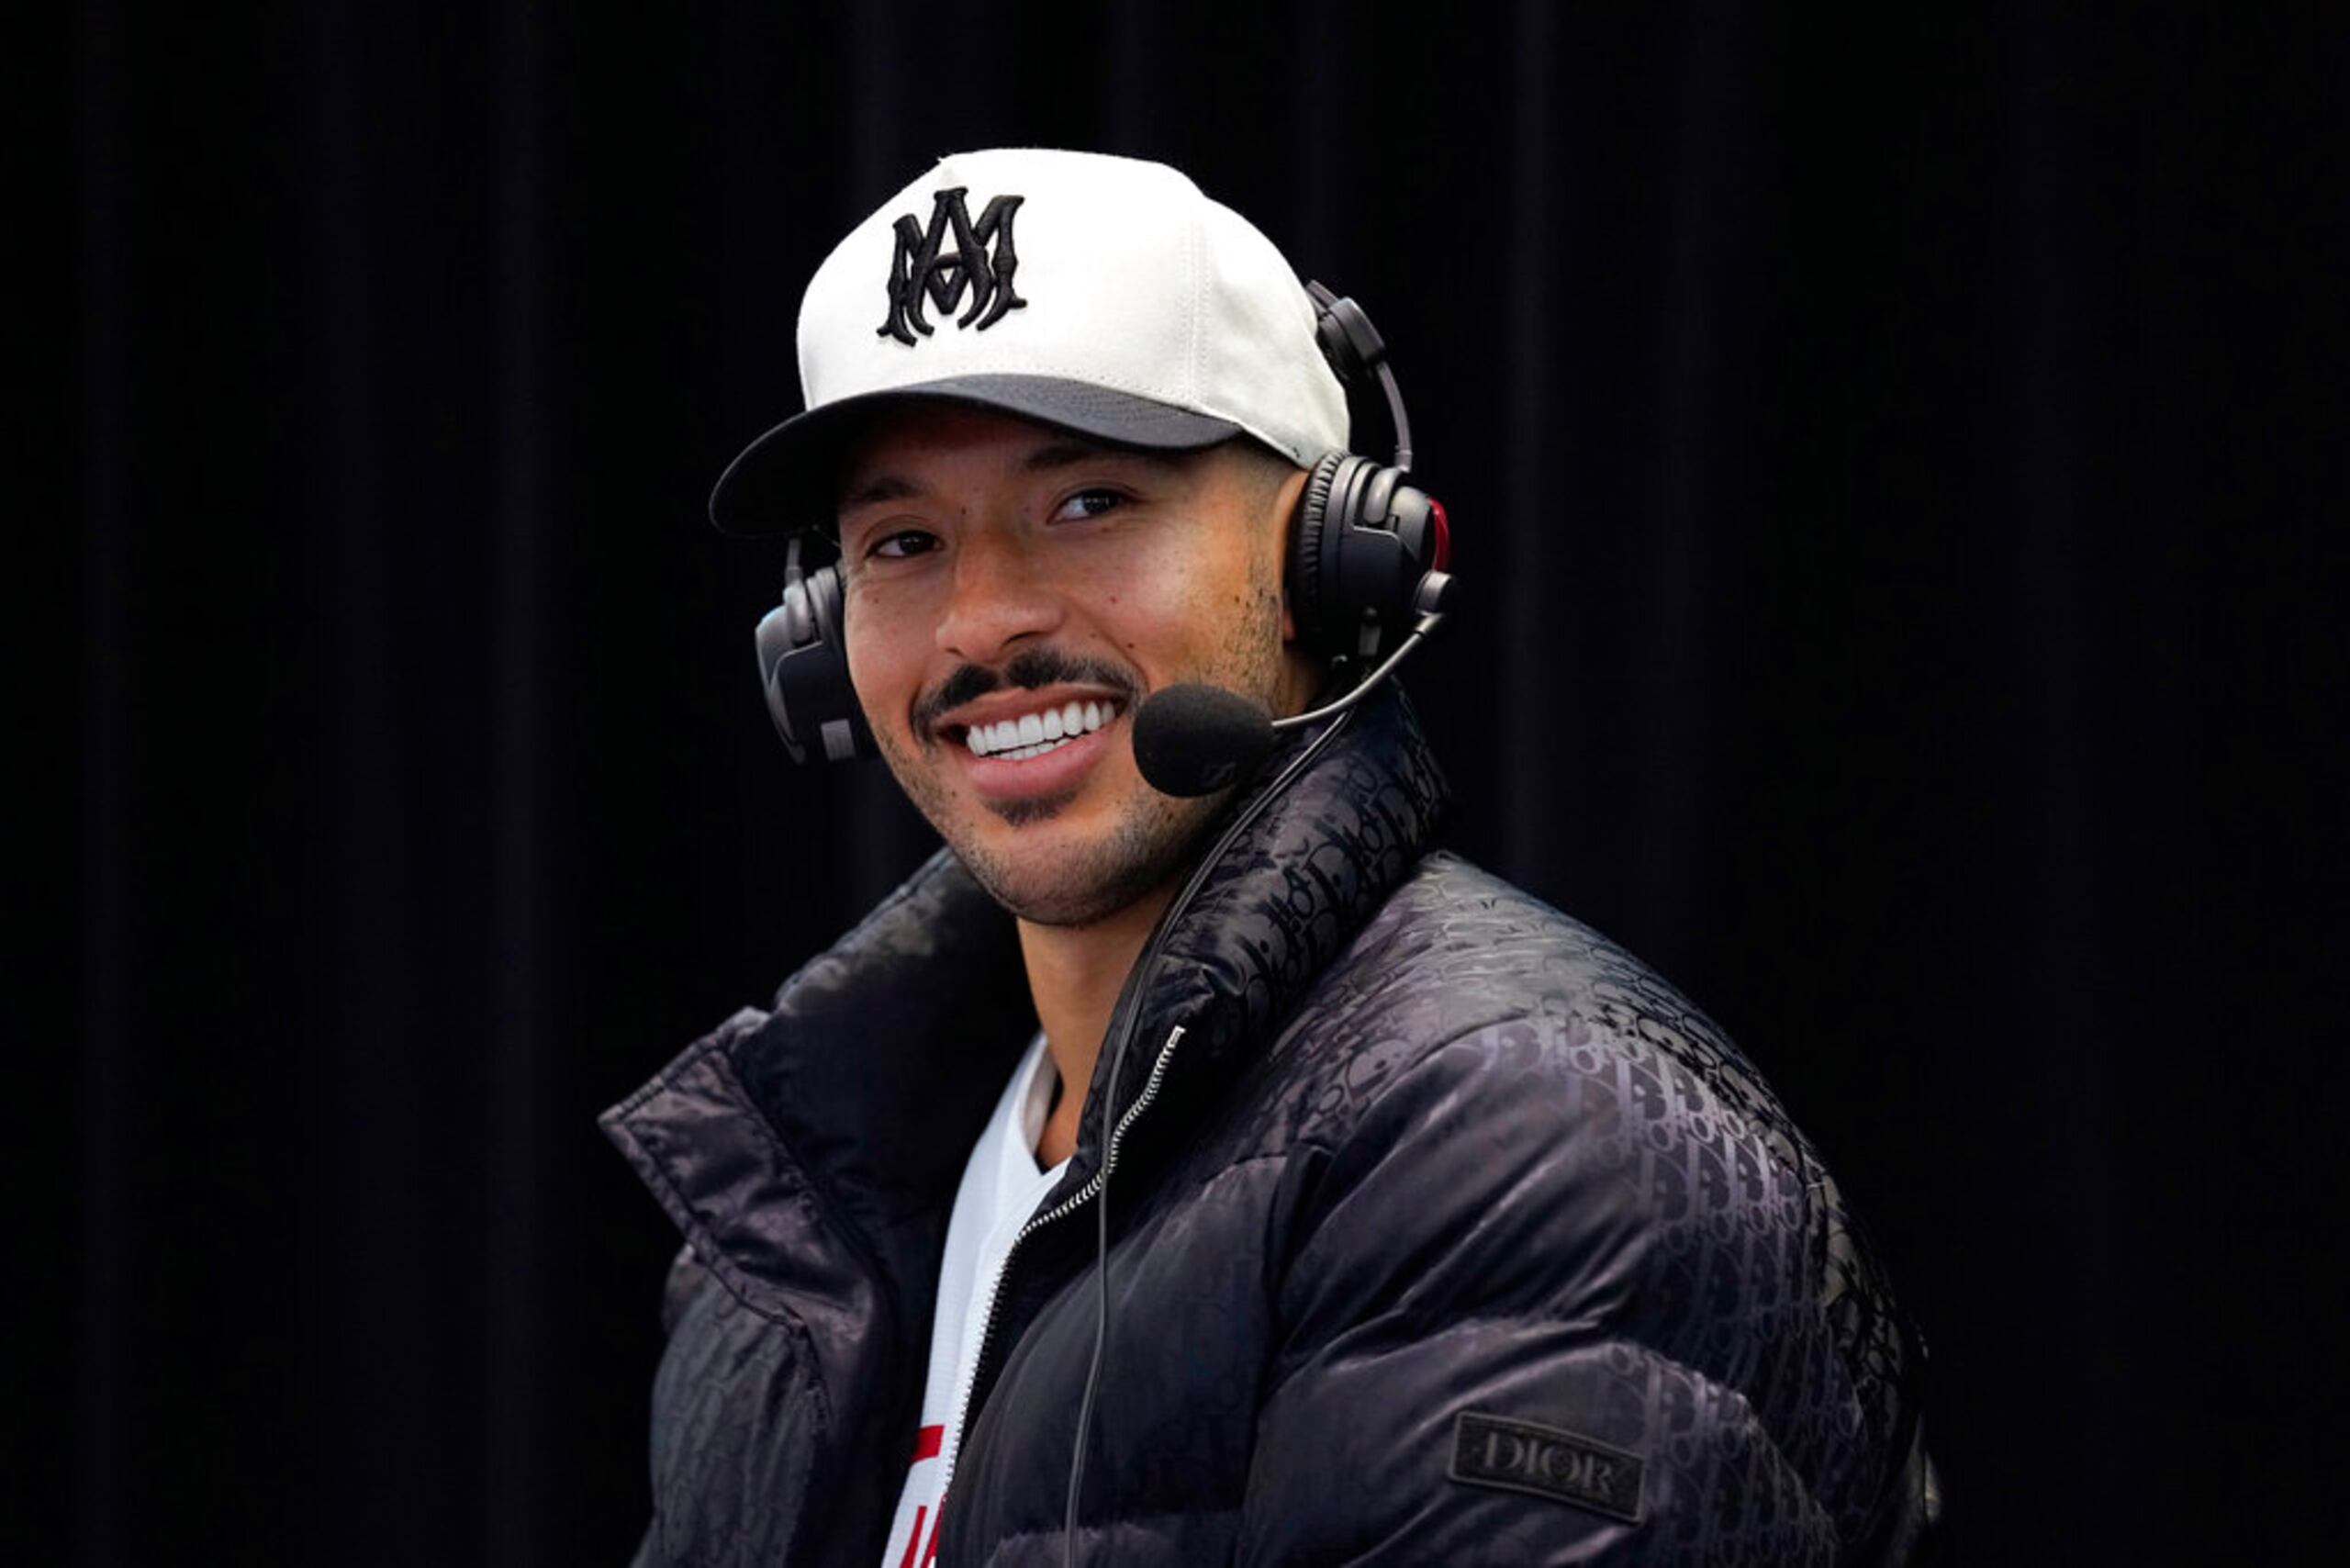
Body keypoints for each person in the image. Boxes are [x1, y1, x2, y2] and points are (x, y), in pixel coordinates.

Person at [602, 148, 1941, 1568]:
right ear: (817, 649)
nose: (980, 622)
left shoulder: (1520, 1147)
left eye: (1089, 503)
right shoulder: (802, 1207)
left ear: (1332, 559)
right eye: (904, 540)